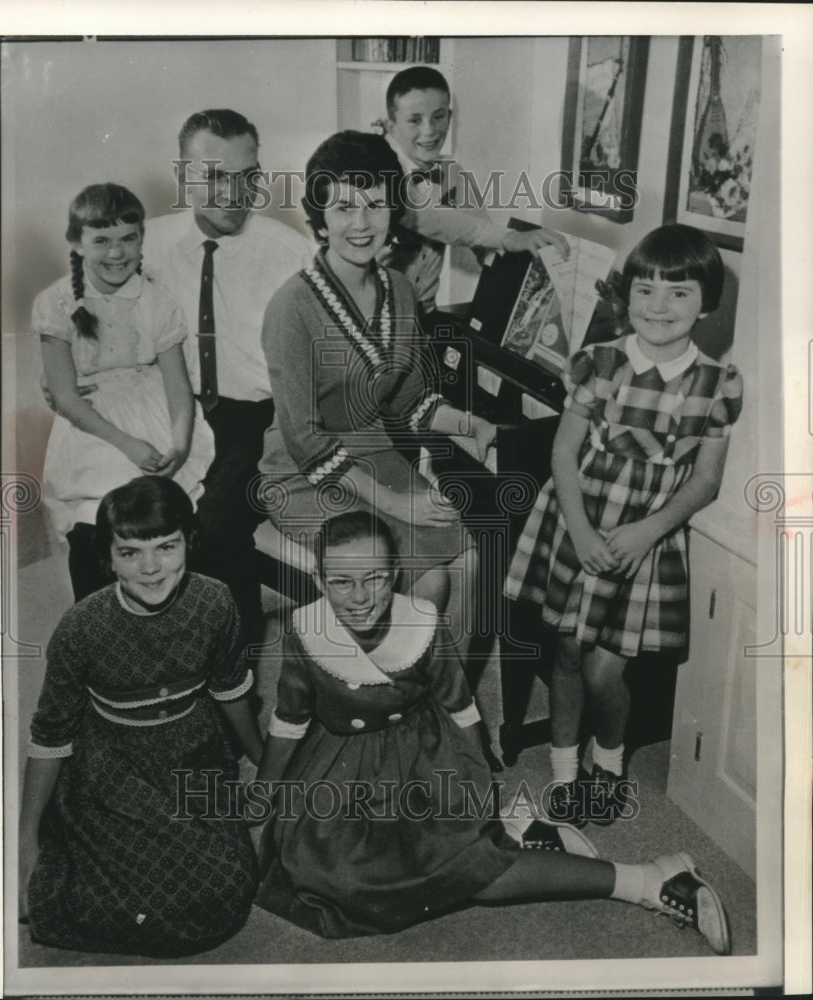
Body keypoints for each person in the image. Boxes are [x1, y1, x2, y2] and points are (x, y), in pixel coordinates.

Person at [254, 511, 731, 955]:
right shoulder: (304, 631)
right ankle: (520, 826)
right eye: (341, 582)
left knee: (472, 872)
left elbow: (461, 709)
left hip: (423, 760)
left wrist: (477, 790)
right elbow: (289, 720)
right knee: (331, 878)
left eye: (374, 578)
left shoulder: (422, 622)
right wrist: (264, 793)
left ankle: (651, 879)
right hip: (342, 771)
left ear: (395, 573)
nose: (360, 598)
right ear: (318, 581)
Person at [505, 224, 743, 827]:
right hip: (578, 520)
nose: (658, 307)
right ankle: (564, 769)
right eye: (646, 290)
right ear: (626, 294)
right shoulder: (598, 363)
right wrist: (582, 533)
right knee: (564, 649)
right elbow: (563, 453)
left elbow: (705, 480)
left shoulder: (718, 383)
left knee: (605, 666)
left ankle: (607, 761)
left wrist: (647, 532)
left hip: (647, 536)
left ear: (706, 302)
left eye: (679, 293)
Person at [257, 129, 496, 676]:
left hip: (377, 453)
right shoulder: (290, 307)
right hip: (304, 471)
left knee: (470, 562)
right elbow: (306, 439)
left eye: (375, 204)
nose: (360, 224)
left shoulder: (401, 291)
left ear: (395, 209)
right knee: (415, 574)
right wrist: (400, 506)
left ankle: (435, 700)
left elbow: (410, 400)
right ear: (319, 216)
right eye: (342, 207)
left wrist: (467, 422)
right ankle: (379, 698)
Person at [18, 476, 262, 957]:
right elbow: (50, 737)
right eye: (130, 553)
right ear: (107, 560)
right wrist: (25, 838)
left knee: (227, 888)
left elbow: (232, 691)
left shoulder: (215, 601)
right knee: (112, 895)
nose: (151, 568)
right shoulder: (80, 628)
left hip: (195, 759)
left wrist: (266, 763)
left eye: (166, 547)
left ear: (189, 543)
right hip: (111, 766)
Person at [141, 109, 315, 645]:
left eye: (247, 177)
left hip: (256, 419)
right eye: (215, 176)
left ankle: (231, 667)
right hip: (174, 406)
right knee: (117, 517)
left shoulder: (292, 254)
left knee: (213, 531)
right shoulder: (146, 247)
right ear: (183, 178)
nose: (233, 193)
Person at [34, 183, 214, 601]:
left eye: (127, 239)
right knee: (99, 520)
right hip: (94, 424)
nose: (116, 253)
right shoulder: (56, 303)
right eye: (101, 241)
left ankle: (169, 608)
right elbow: (65, 396)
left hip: (151, 416)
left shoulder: (158, 302)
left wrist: (181, 445)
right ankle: (99, 616)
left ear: (140, 241)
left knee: (161, 518)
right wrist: (129, 446)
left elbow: (178, 389)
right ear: (77, 244)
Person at [380, 65, 568, 318]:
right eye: (415, 120)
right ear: (391, 128)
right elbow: (429, 216)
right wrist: (510, 238)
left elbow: (484, 242)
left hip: (422, 317)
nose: (430, 130)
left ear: (449, 116)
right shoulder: (379, 172)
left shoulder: (453, 173)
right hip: (372, 318)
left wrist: (539, 278)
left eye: (438, 117)